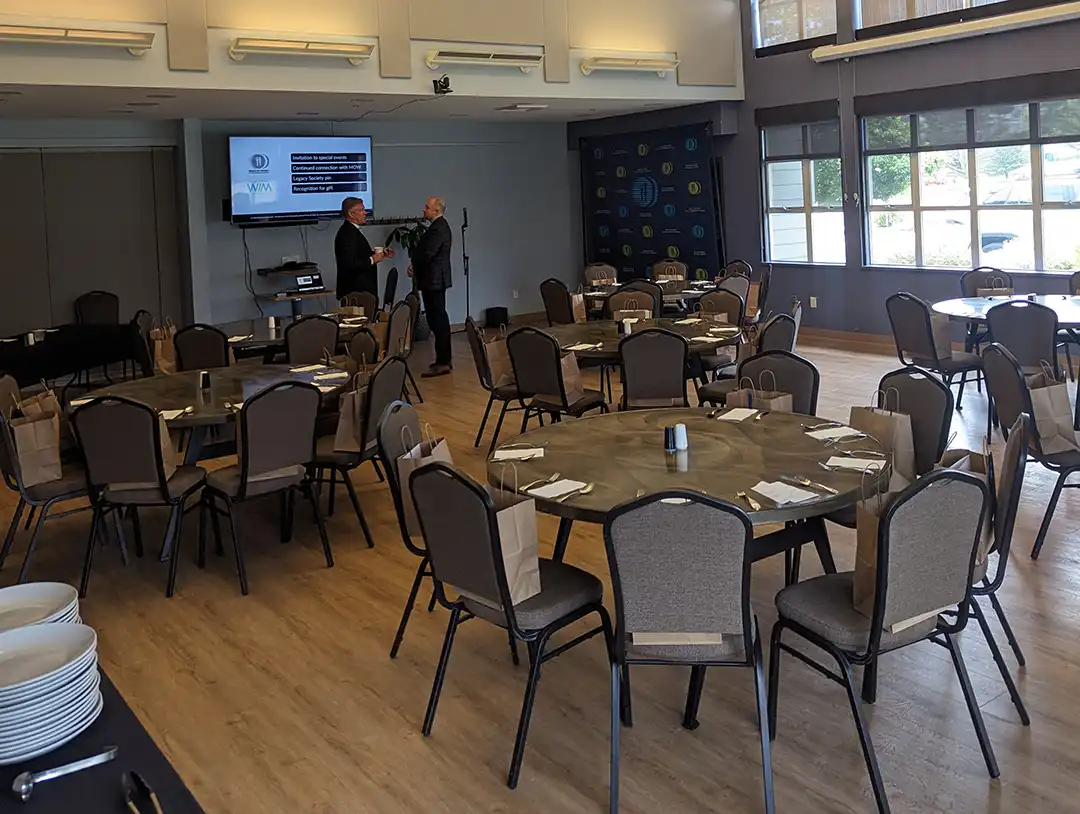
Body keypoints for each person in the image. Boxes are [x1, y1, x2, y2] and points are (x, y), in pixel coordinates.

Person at [409, 197, 453, 377]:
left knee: (438, 320)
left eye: (427, 207)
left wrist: (415, 266)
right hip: (433, 280)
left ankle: (443, 361)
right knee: (437, 319)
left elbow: (427, 253)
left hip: (434, 281)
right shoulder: (438, 226)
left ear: (436, 211)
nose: (424, 210)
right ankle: (443, 360)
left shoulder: (438, 228)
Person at [334, 197, 393, 300]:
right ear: (351, 214)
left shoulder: (352, 231)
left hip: (361, 292)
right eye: (361, 210)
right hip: (356, 293)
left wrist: (380, 254)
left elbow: (358, 255)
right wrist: (372, 259)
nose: (365, 213)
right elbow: (351, 263)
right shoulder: (347, 234)